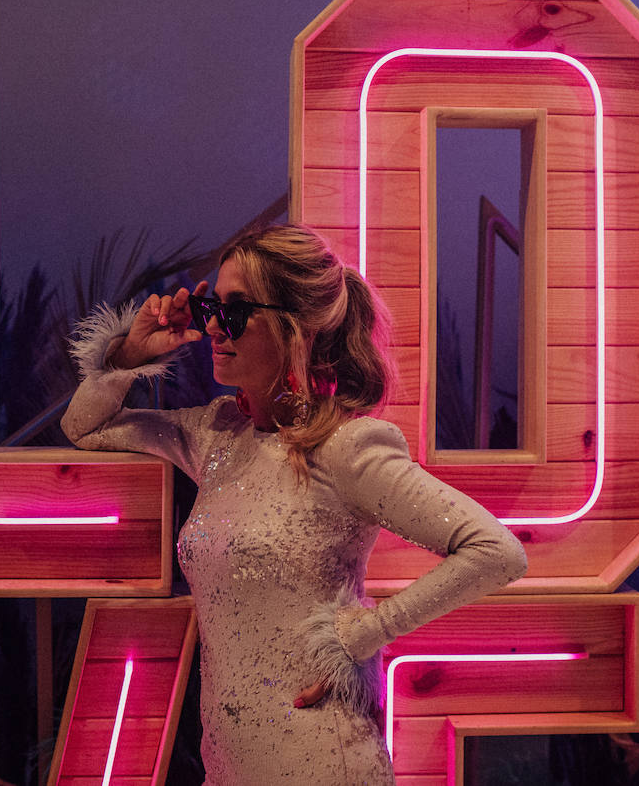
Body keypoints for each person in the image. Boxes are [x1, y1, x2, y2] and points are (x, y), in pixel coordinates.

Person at [62, 224, 527, 785]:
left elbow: (496, 550)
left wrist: (358, 637)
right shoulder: (216, 434)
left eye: (235, 310)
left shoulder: (349, 447)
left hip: (320, 759)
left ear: (296, 329)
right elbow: (86, 426)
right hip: (230, 764)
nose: (212, 324)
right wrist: (128, 354)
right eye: (212, 305)